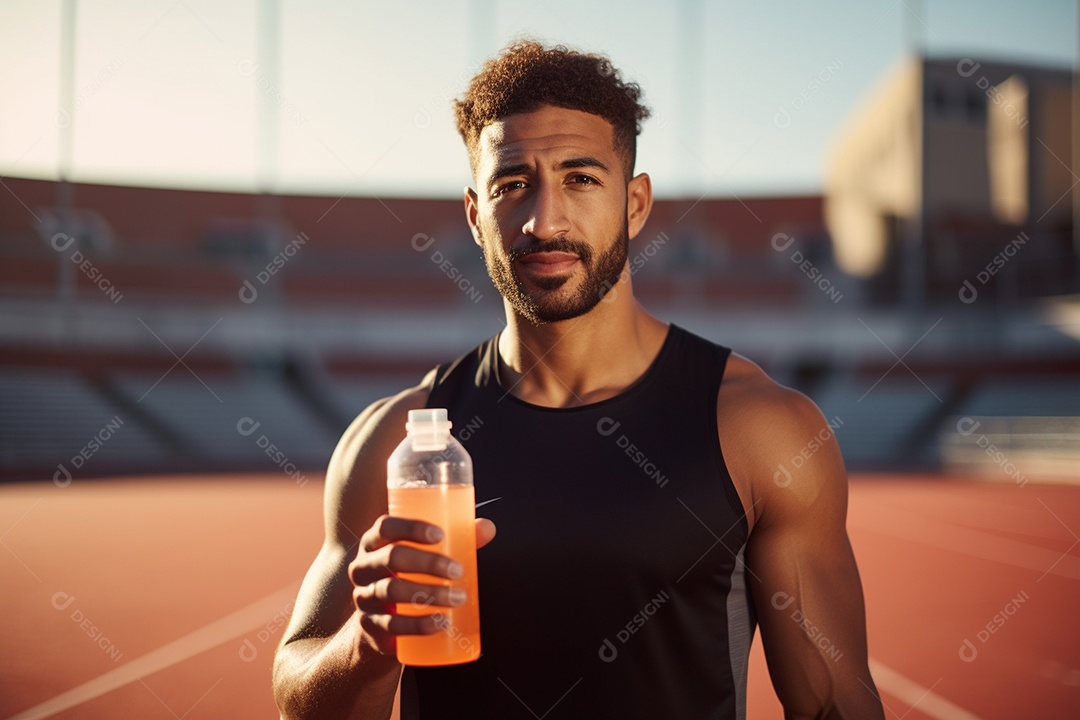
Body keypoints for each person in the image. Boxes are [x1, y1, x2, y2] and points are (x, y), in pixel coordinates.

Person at [273, 40, 885, 720]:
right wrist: (368, 640)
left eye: (581, 178)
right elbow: (301, 705)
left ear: (636, 202)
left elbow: (835, 703)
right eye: (512, 185)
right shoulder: (397, 441)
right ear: (477, 217)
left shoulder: (759, 429)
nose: (545, 221)